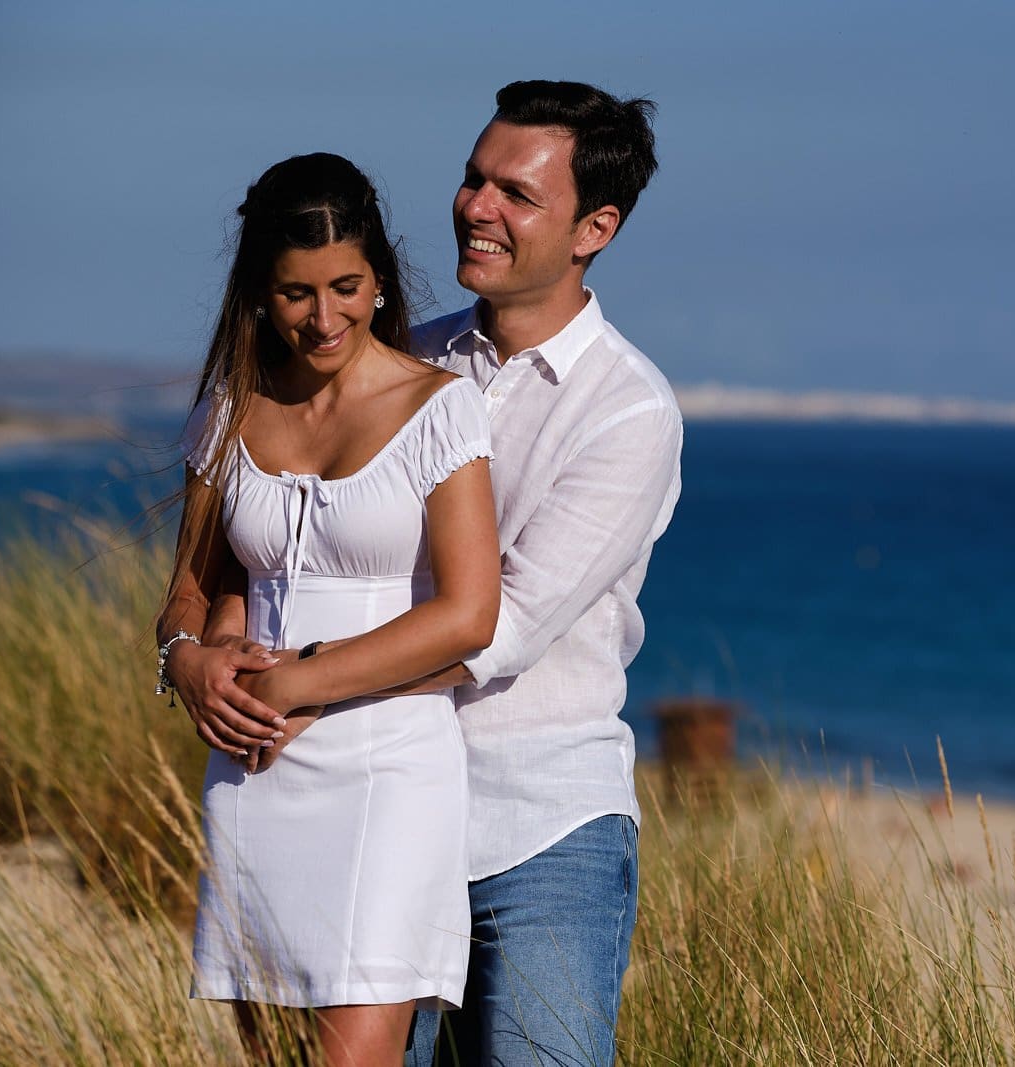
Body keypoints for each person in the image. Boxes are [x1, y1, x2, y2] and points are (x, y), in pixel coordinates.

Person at [167, 82, 682, 1066]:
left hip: (535, 826)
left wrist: (285, 683)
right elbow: (270, 545)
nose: (476, 207)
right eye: (472, 178)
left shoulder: (627, 411)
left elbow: (497, 627)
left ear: (595, 227)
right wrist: (200, 650)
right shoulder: (394, 353)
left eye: (515, 194)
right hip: (348, 784)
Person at [156, 152, 500, 1067]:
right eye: (295, 293)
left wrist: (299, 684)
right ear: (260, 294)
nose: (323, 318)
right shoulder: (231, 409)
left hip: (388, 768)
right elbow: (190, 592)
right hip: (254, 770)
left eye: (345, 287)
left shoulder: (440, 410)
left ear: (379, 280)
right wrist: (189, 661)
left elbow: (470, 614)